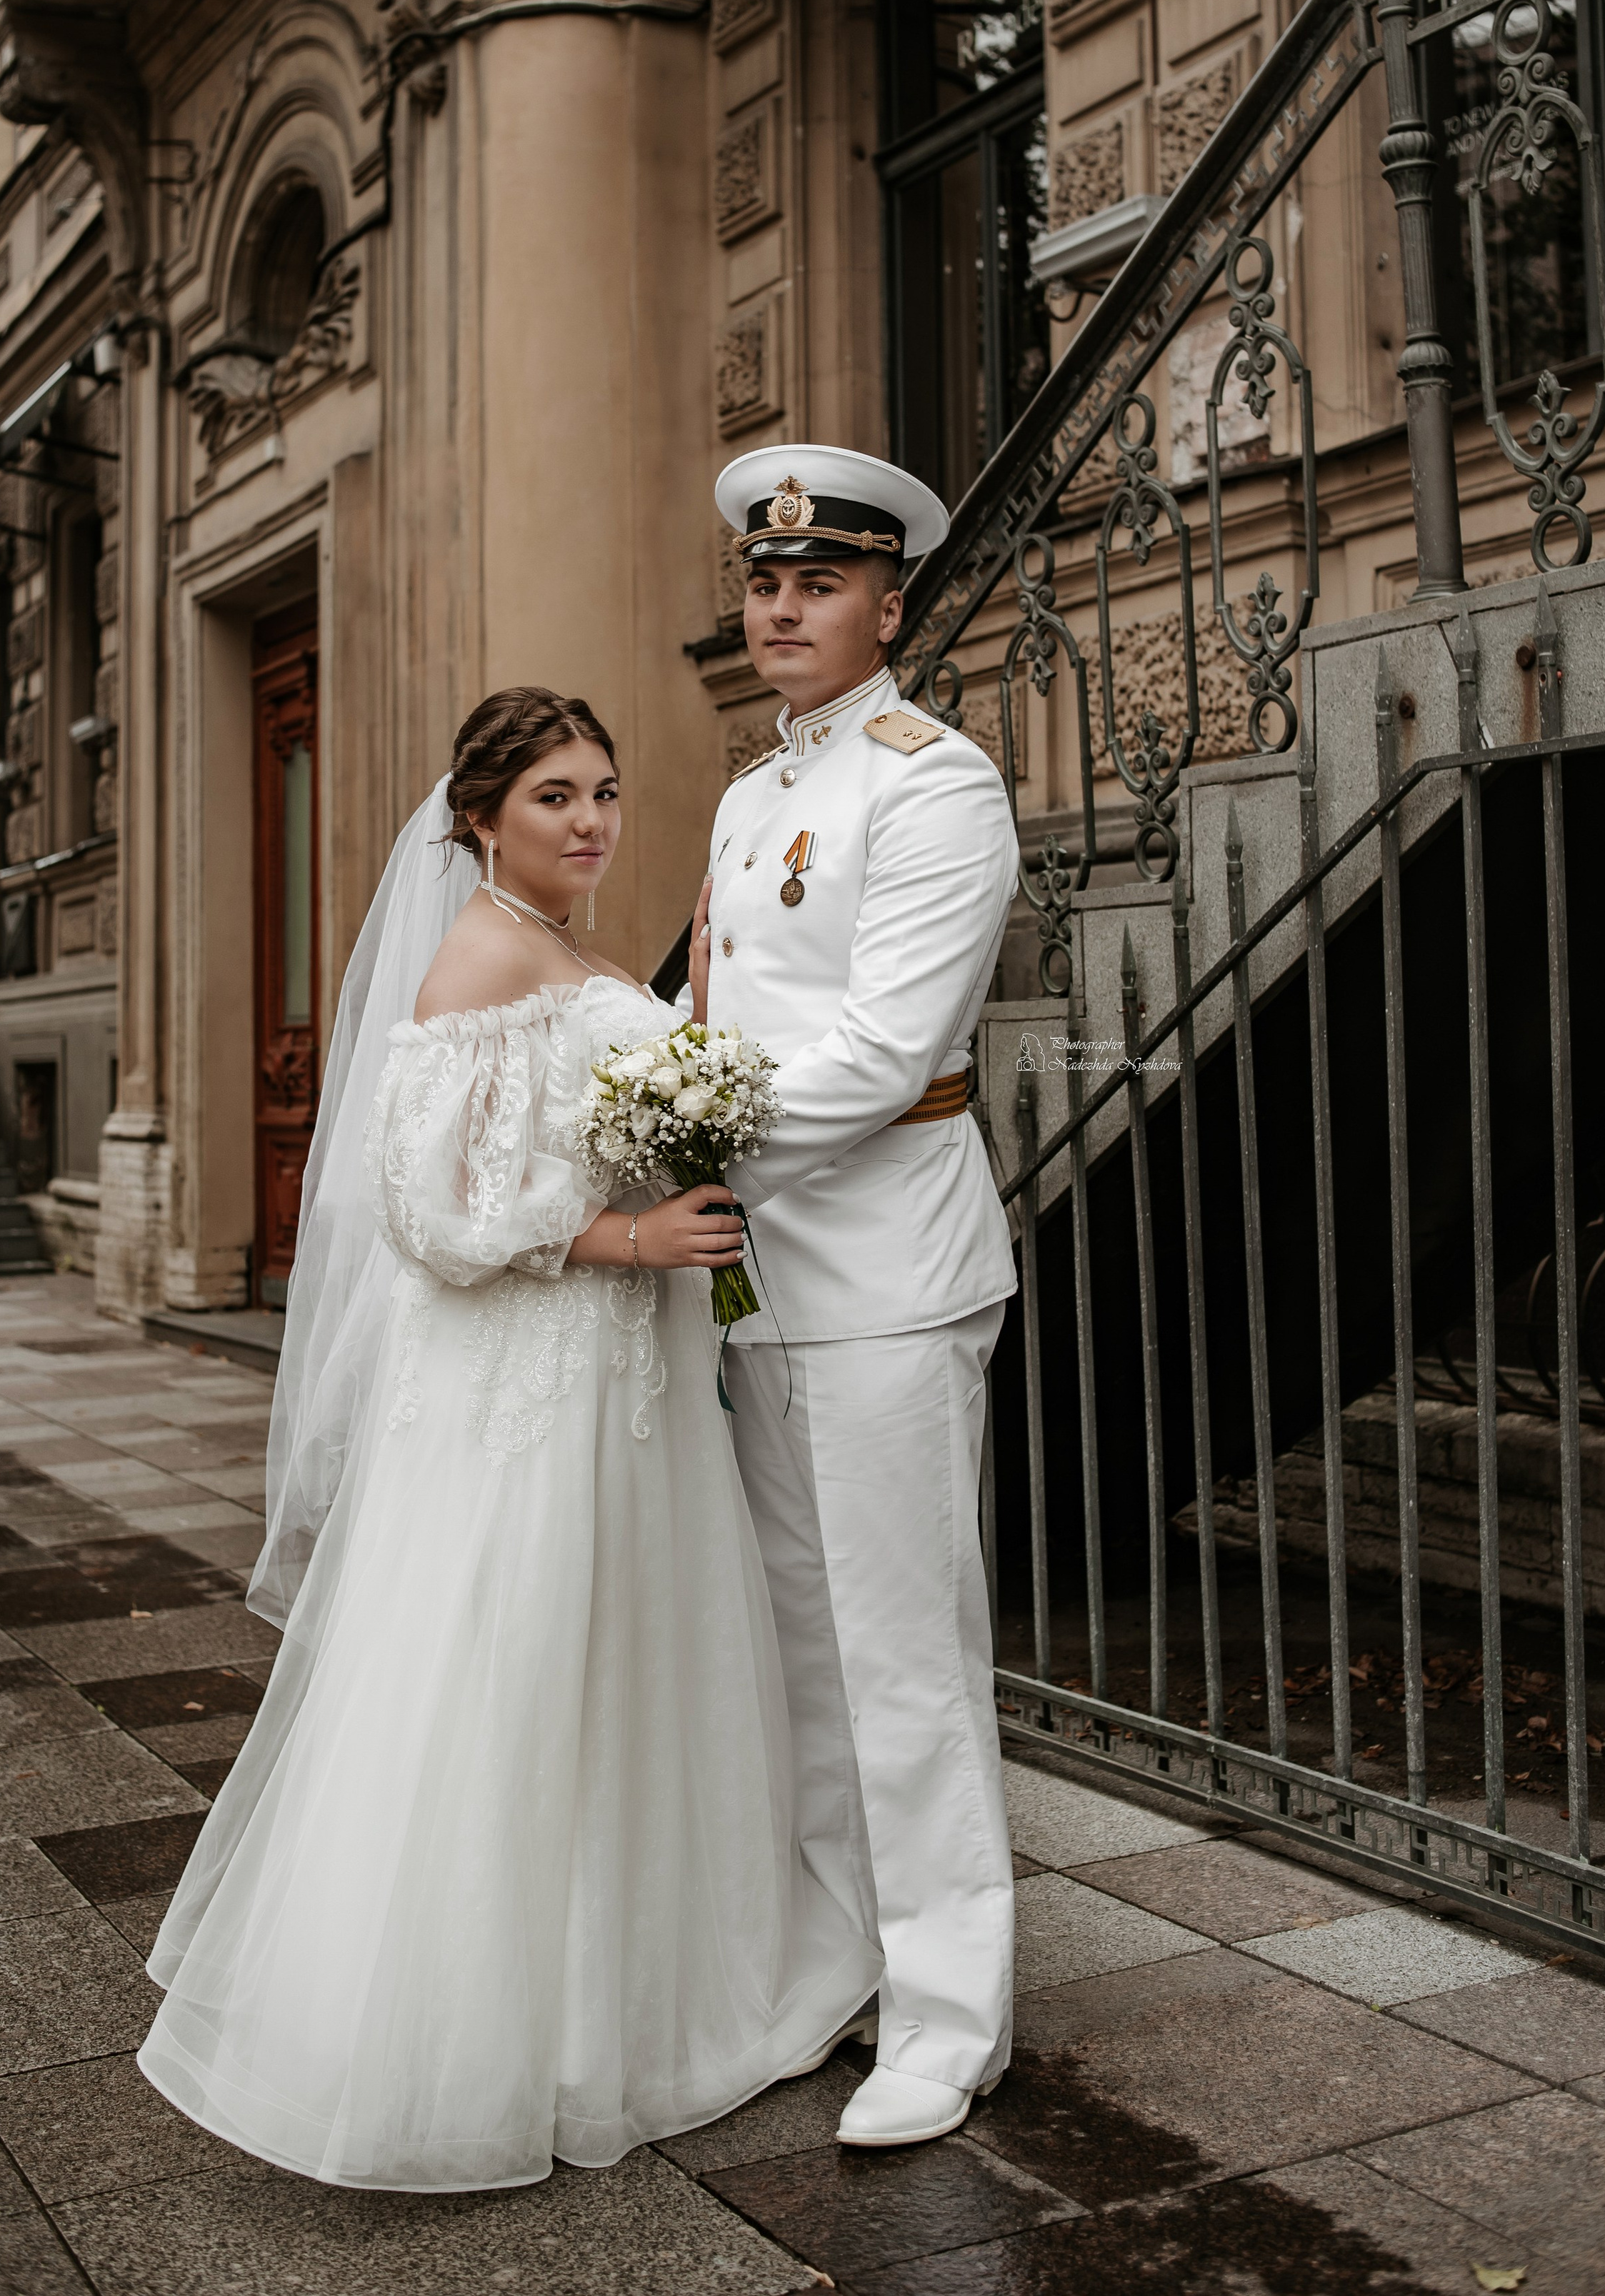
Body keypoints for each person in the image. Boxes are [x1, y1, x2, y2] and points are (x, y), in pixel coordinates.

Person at [137, 686, 879, 2192]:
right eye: (552, 795)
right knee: (516, 1671)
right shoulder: (477, 951)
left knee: (612, 1668)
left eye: (602, 789)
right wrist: (629, 1235)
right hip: (529, 1378)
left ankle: (621, 1996)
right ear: (477, 816)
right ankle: (465, 2043)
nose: (590, 818)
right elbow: (427, 1214)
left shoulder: (566, 947)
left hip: (617, 1376)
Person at [692, 444, 1021, 2150]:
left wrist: (681, 1134)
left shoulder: (932, 780)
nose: (781, 607)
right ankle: (839, 1963)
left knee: (902, 1657)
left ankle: (949, 2016)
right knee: (804, 1652)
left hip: (888, 1268)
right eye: (763, 582)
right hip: (760, 1281)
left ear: (888, 605)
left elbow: (887, 1051)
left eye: (817, 582)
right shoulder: (751, 793)